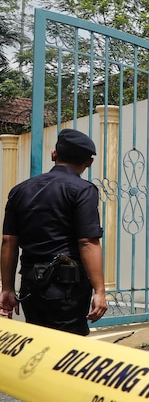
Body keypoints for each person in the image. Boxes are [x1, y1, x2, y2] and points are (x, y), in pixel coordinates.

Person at [0, 129, 107, 335]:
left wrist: (7, 289)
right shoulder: (83, 190)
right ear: (89, 162)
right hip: (67, 291)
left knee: (38, 344)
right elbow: (87, 242)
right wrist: (100, 291)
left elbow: (8, 242)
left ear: (54, 155)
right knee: (68, 352)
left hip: (31, 287)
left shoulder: (20, 190)